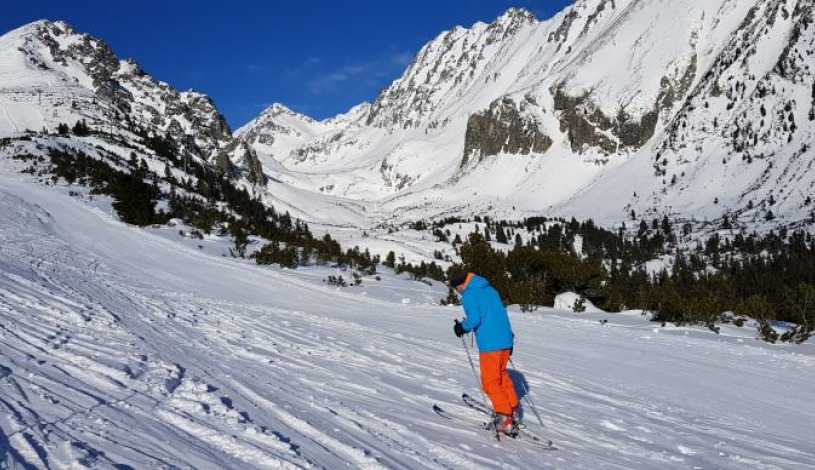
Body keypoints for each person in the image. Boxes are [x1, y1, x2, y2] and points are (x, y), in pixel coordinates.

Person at [449, 270, 520, 436]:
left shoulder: (469, 295)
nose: (458, 292)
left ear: (460, 285)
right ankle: (513, 409)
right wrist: (509, 337)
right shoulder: (489, 289)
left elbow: (475, 319)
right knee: (501, 376)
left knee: (490, 382)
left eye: (456, 289)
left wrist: (461, 327)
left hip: (491, 344)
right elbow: (501, 315)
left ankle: (504, 418)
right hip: (504, 340)